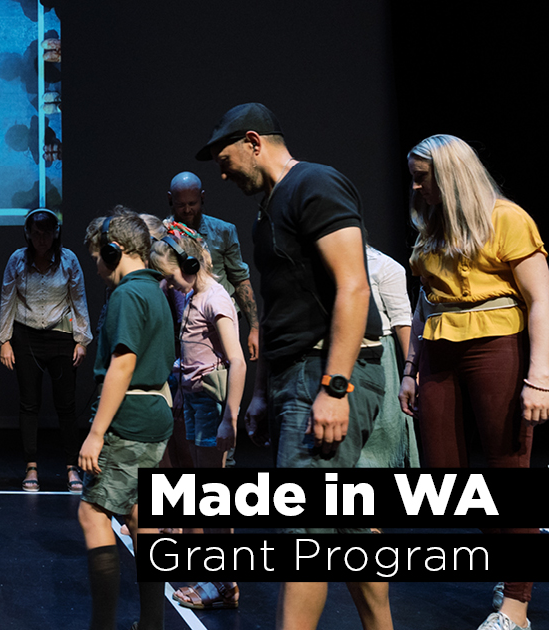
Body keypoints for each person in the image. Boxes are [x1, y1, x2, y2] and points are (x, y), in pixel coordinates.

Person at [197, 103, 391, 630]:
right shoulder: (268, 211)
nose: (222, 171)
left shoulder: (316, 184)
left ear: (254, 142)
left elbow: (354, 286)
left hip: (323, 373)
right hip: (294, 374)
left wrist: (335, 386)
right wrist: (262, 389)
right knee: (347, 526)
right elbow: (279, 307)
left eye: (226, 157)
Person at [398, 134, 548, 630]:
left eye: (423, 177)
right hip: (440, 348)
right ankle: (514, 553)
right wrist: (410, 367)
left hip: (496, 344)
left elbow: (541, 300)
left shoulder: (507, 218)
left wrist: (539, 378)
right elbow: (425, 300)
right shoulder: (431, 226)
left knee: (509, 469)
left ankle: (517, 603)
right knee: (448, 478)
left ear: (450, 175)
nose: (415, 186)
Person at [78, 209, 172, 630]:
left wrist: (96, 434)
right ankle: (152, 622)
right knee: (138, 514)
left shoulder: (128, 295)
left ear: (114, 252)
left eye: (98, 256)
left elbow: (123, 362)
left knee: (93, 514)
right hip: (154, 414)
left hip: (129, 418)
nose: (96, 267)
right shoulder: (155, 290)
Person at [148, 224, 246, 611]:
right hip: (192, 400)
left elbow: (236, 361)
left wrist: (230, 419)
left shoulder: (214, 299)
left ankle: (223, 583)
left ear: (188, 264)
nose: (168, 284)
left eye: (171, 275)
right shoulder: (191, 294)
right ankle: (217, 577)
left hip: (210, 405)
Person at [0, 209, 91, 493]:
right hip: (26, 336)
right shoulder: (17, 259)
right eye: (36, 233)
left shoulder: (68, 259)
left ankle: (71, 467)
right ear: (28, 234)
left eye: (47, 232)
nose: (42, 239)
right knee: (29, 403)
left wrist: (82, 340)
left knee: (66, 405)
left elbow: (78, 298)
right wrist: (4, 340)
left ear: (55, 233)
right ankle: (31, 466)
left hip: (61, 336)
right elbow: (7, 299)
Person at [166, 171, 260, 361]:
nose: (186, 210)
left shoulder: (224, 231)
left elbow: (240, 279)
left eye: (192, 203)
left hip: (216, 322)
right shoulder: (162, 235)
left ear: (202, 197)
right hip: (177, 325)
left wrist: (255, 328)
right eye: (180, 204)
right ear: (170, 199)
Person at [356, 244, 417, 468]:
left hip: (378, 354)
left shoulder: (383, 265)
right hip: (335, 351)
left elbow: (403, 322)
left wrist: (411, 371)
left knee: (383, 430)